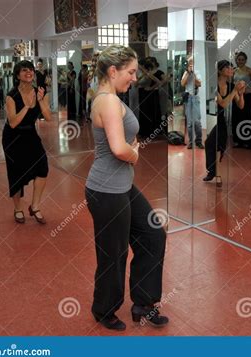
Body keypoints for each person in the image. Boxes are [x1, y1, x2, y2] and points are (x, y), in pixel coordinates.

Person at [85, 45, 168, 331]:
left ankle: (144, 303)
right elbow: (120, 149)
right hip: (106, 191)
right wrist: (135, 153)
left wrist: (132, 152)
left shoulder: (111, 98)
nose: (134, 78)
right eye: (130, 72)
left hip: (122, 186)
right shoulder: (107, 101)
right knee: (114, 252)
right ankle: (104, 309)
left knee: (153, 234)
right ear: (113, 71)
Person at [2, 60, 52, 224]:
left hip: (30, 133)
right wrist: (28, 106)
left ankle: (35, 206)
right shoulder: (11, 95)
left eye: (30, 70)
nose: (29, 72)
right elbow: (13, 123)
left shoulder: (41, 92)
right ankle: (18, 209)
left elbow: (49, 117)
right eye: (24, 70)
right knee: (16, 173)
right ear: (17, 75)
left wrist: (40, 101)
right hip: (12, 137)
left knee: (42, 167)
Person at [203, 60, 245, 182]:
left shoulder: (232, 86)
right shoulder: (214, 84)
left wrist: (241, 94)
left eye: (232, 68)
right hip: (214, 117)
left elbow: (241, 106)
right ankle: (213, 172)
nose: (231, 70)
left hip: (222, 121)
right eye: (228, 68)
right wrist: (234, 91)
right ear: (221, 70)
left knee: (216, 146)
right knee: (211, 144)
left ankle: (215, 172)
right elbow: (223, 104)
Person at [181, 56, 204, 149]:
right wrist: (187, 73)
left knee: (197, 121)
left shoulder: (197, 72)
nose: (190, 64)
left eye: (192, 62)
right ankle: (191, 142)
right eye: (189, 62)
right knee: (190, 123)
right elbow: (182, 83)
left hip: (195, 97)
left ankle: (198, 141)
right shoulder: (185, 72)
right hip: (188, 98)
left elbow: (199, 84)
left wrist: (193, 73)